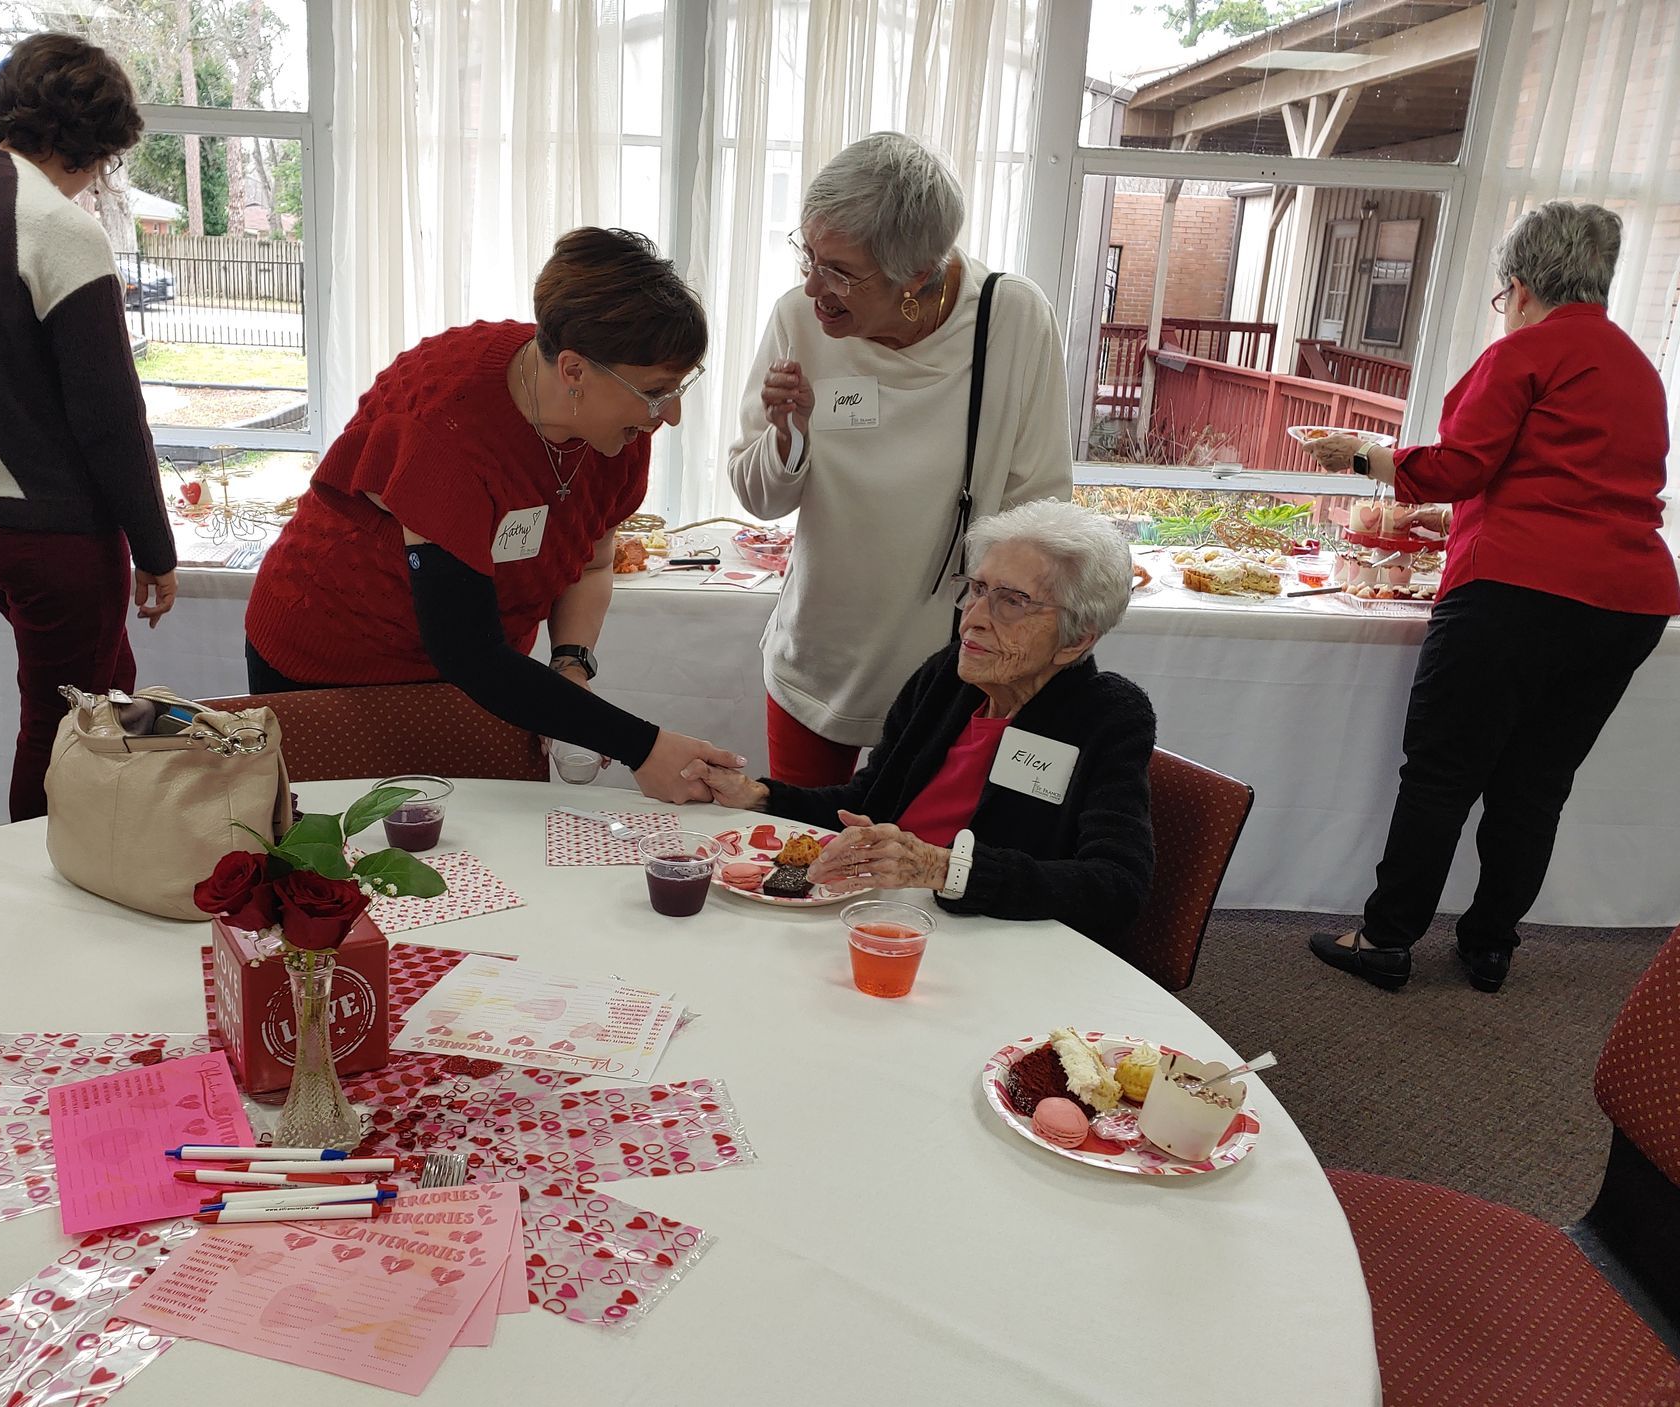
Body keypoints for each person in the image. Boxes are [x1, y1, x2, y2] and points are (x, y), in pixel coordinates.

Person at [1303, 202, 1678, 994]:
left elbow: (1458, 465)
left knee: (1441, 775)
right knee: (1537, 782)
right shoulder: (1638, 368)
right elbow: (1583, 484)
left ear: (1519, 283)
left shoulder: (1527, 353)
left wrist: (1362, 455)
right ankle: (1489, 944)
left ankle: (1387, 939)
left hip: (1516, 592)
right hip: (1629, 602)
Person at [245, 228, 743, 803]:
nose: (672, 414)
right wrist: (644, 747)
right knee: (356, 859)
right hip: (335, 662)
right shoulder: (447, 429)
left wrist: (569, 668)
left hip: (479, 677)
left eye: (679, 387)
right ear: (575, 371)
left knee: (482, 860)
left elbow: (591, 564)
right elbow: (467, 651)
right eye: (659, 391)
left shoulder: (617, 425)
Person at [0, 33, 177, 822]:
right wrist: (156, 549)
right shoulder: (56, 226)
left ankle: (127, 843)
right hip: (51, 531)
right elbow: (111, 416)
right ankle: (40, 890)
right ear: (97, 142)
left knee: (106, 689)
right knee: (64, 726)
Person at [728, 132, 1073, 789]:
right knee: (802, 862)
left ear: (916, 276)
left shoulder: (1012, 320)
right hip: (819, 654)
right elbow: (758, 495)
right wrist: (788, 436)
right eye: (808, 254)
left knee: (917, 870)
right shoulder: (798, 319)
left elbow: (1042, 510)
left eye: (840, 272)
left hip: (953, 667)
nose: (813, 286)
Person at [682, 500, 1155, 943]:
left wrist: (943, 868)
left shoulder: (1106, 715)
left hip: (989, 939)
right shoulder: (948, 678)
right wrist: (759, 795)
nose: (973, 618)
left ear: (1075, 641)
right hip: (878, 911)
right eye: (977, 589)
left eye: (1012, 602)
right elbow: (867, 800)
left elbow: (1116, 887)